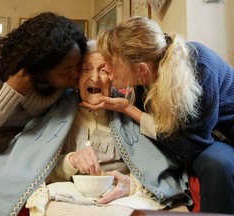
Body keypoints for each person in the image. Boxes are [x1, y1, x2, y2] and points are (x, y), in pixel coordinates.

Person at [0, 40, 192, 216]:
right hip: (68, 198)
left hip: (120, 200)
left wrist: (131, 185)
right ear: (76, 77)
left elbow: (161, 172)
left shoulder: (130, 110)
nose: (94, 77)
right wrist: (70, 162)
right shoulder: (56, 111)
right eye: (86, 69)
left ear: (114, 77)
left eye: (103, 70)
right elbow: (29, 167)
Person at [80, 16, 234, 214]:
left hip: (226, 135)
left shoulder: (199, 68)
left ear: (140, 70)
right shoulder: (145, 77)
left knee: (216, 163)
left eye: (110, 63)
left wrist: (129, 110)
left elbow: (190, 147)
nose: (106, 69)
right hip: (209, 134)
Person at [0, 11, 87, 216]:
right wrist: (12, 92)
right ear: (39, 69)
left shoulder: (71, 73)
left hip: (17, 150)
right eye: (66, 71)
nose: (76, 74)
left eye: (78, 65)